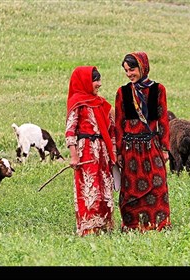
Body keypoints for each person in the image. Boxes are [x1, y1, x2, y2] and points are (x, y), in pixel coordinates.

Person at [115, 51, 172, 233]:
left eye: (132, 69)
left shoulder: (158, 90)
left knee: (158, 185)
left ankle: (158, 224)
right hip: (130, 149)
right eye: (126, 71)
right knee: (131, 190)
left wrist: (164, 148)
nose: (129, 74)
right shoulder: (123, 92)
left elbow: (163, 120)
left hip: (151, 146)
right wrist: (118, 152)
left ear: (142, 67)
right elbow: (119, 124)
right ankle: (132, 225)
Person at [65, 66, 116, 237]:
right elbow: (70, 130)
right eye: (95, 80)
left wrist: (114, 152)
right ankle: (89, 226)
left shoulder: (100, 103)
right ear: (85, 81)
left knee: (103, 185)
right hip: (85, 150)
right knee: (89, 186)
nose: (99, 84)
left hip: (102, 151)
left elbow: (111, 129)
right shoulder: (77, 102)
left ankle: (103, 224)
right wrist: (74, 155)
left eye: (99, 80)